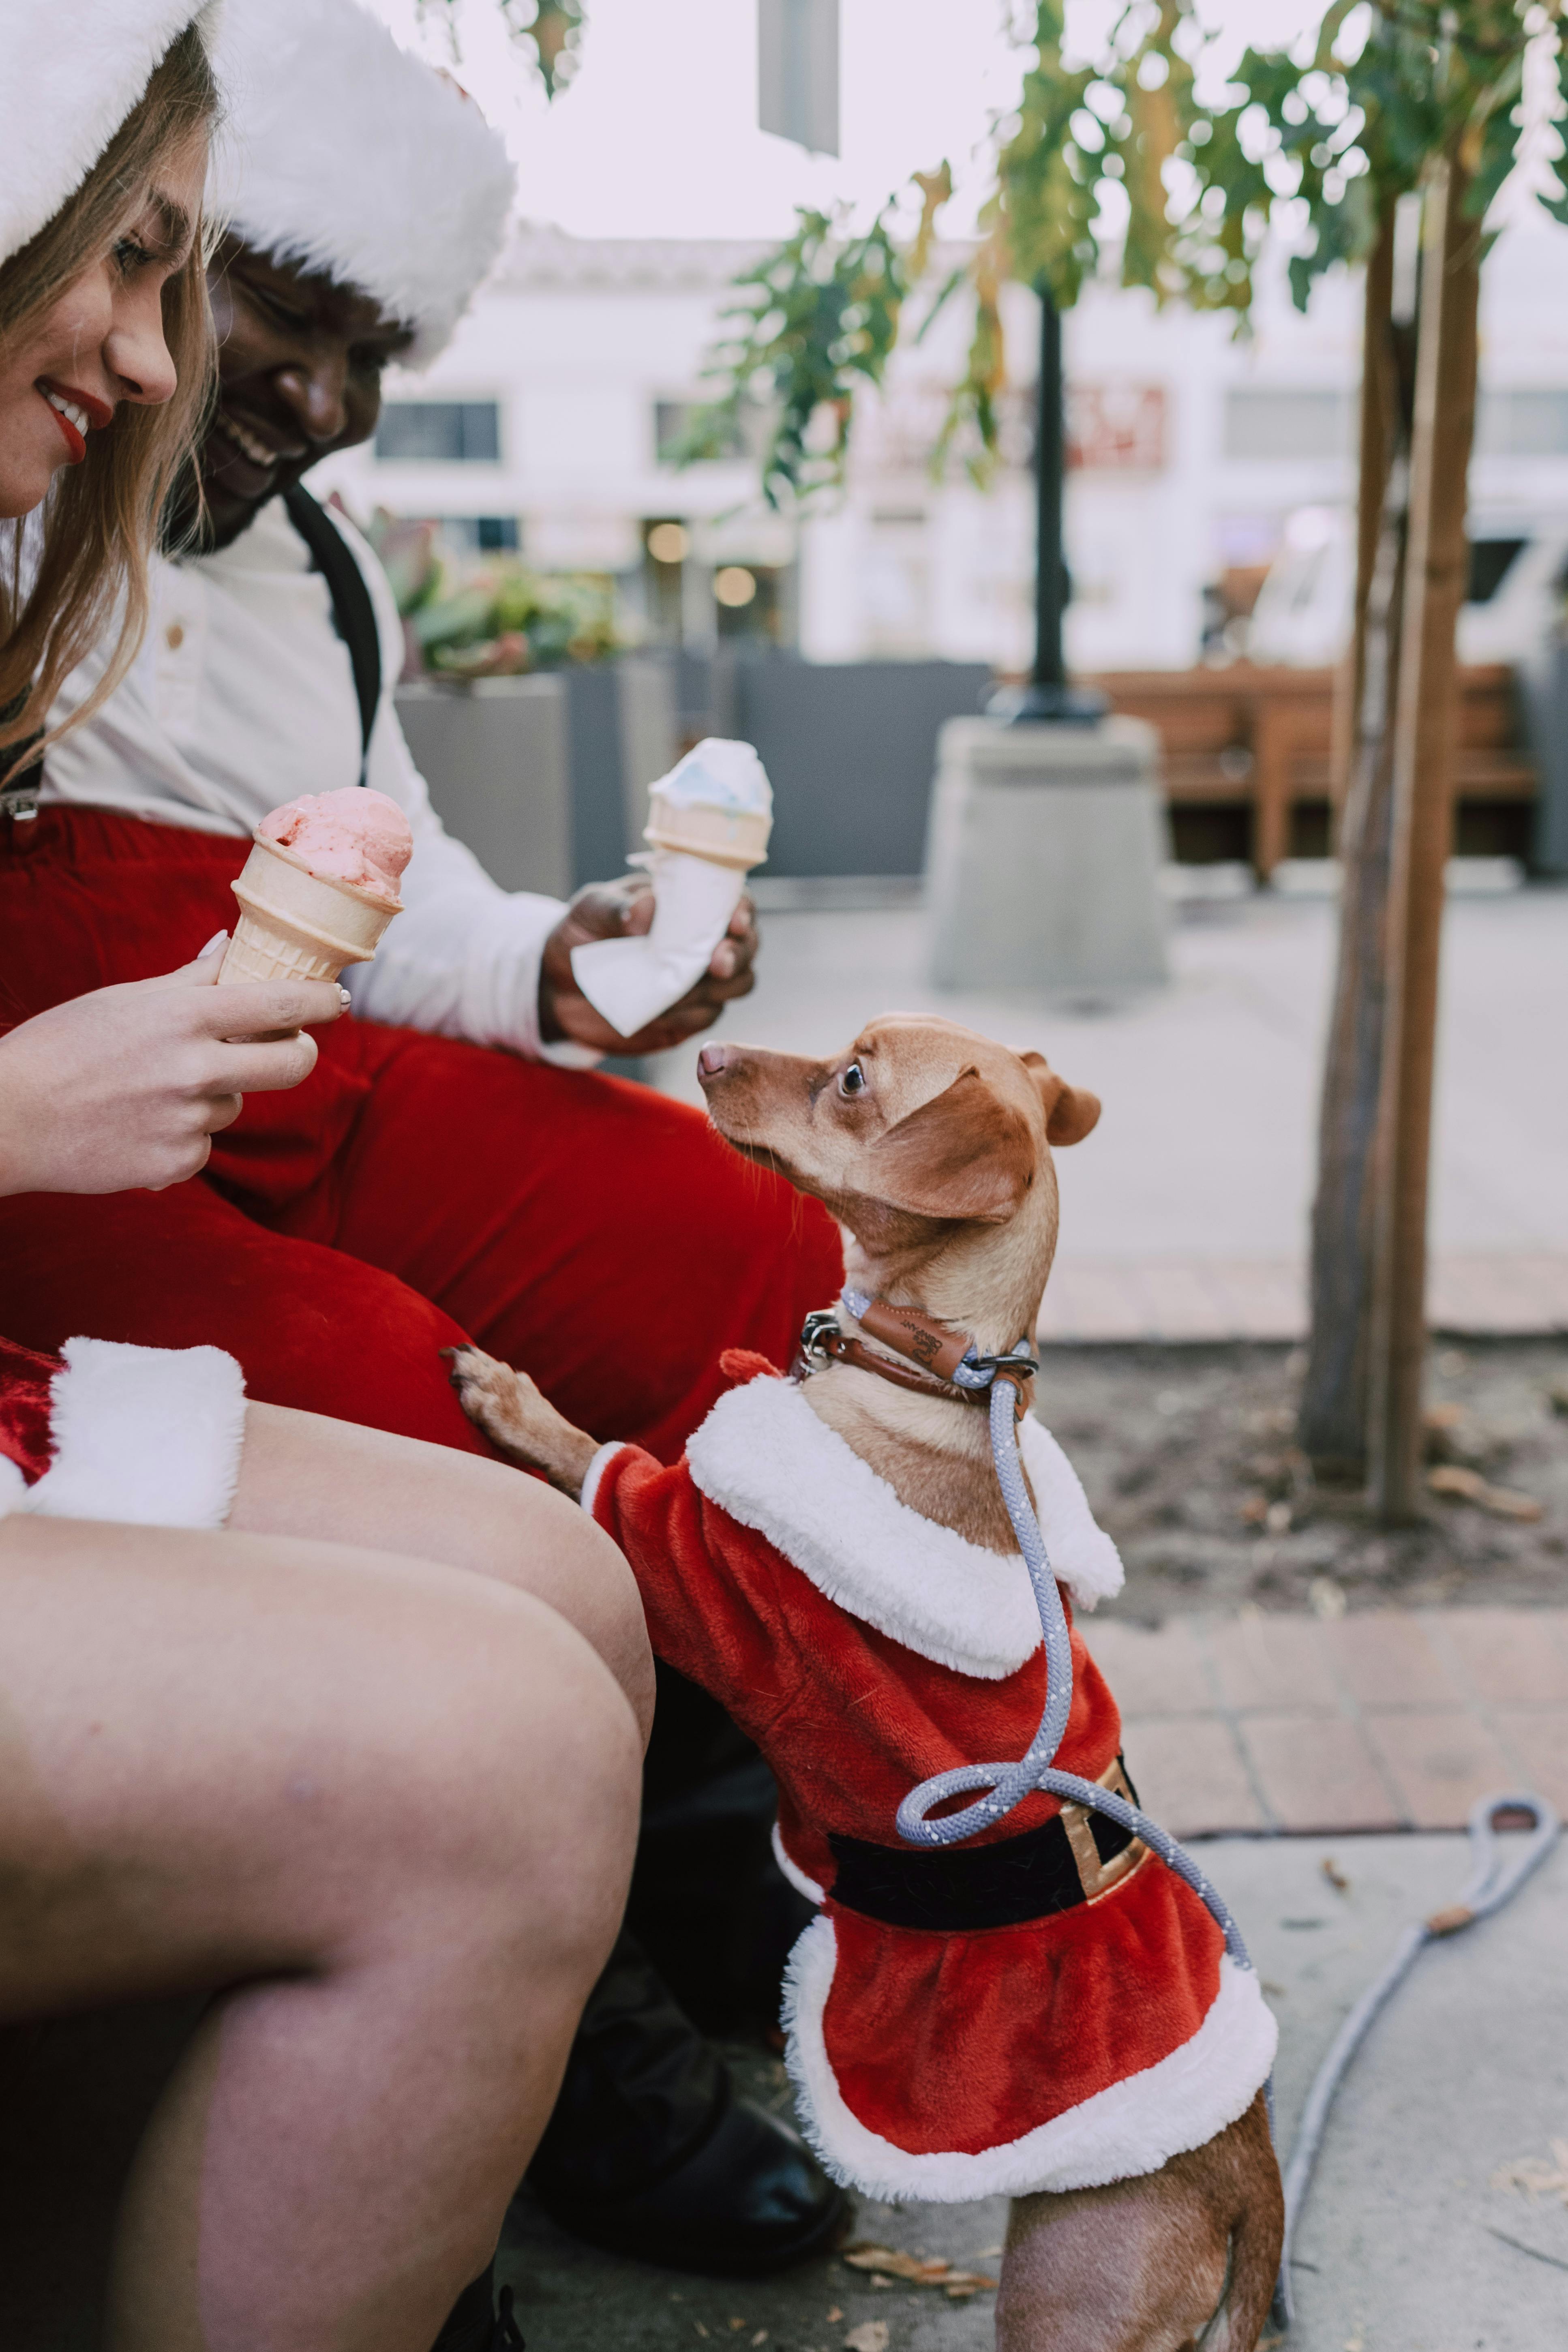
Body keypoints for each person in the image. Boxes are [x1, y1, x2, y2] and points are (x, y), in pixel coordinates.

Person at [2, 0, 848, 2276]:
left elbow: (398, 889)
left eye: (374, 346)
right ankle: (556, 2017)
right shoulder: (27, 483)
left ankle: (722, 1850)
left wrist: (564, 974)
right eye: (268, 304)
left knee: (745, 1245)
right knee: (412, 1400)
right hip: (74, 1100)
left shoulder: (320, 572)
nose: (312, 392)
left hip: (264, 1056)